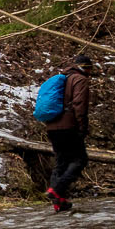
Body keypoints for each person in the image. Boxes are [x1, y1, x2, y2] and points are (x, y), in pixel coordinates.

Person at [43, 53, 94, 212]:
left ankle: (59, 201)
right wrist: (82, 128)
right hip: (68, 126)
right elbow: (80, 106)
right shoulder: (80, 79)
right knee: (80, 160)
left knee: (61, 161)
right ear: (86, 68)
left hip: (52, 126)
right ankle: (57, 190)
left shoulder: (62, 79)